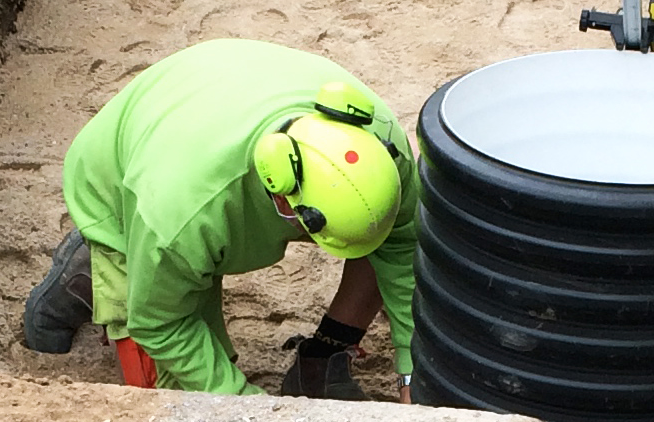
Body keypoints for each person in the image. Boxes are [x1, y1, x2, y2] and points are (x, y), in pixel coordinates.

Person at [23, 38, 417, 401]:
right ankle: (91, 266)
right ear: (279, 193)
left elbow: (402, 254)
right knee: (165, 396)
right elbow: (161, 326)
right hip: (126, 177)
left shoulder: (382, 149)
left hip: (221, 99)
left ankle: (324, 354)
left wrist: (412, 375)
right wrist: (248, 407)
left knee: (371, 234)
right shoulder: (180, 212)